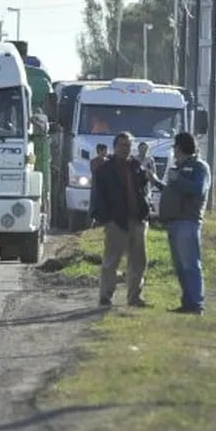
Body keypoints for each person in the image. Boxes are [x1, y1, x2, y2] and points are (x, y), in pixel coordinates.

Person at [90, 131, 154, 308]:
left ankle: (134, 297)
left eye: (128, 145)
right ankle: (105, 296)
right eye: (122, 145)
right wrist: (104, 218)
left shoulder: (137, 167)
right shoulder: (104, 170)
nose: (125, 148)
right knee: (111, 260)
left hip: (137, 220)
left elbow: (144, 190)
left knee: (138, 261)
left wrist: (146, 210)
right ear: (115, 147)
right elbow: (97, 195)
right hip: (116, 221)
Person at [157, 132, 210, 315]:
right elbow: (173, 191)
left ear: (179, 148)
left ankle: (196, 304)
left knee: (190, 265)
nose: (174, 151)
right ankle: (187, 302)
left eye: (174, 147)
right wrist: (155, 181)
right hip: (174, 222)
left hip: (188, 222)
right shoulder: (179, 167)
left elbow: (198, 190)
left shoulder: (199, 167)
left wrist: (178, 180)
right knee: (181, 266)